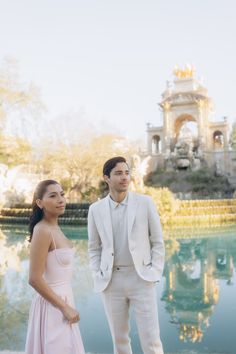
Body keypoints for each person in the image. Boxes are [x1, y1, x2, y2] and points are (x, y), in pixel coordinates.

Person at [88, 156, 165, 354]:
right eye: (118, 173)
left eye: (127, 172)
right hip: (111, 281)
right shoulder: (95, 210)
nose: (124, 177)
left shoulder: (145, 203)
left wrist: (154, 271)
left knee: (152, 341)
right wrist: (98, 272)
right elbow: (94, 248)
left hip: (141, 278)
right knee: (120, 341)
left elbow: (157, 241)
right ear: (106, 177)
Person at [25, 180, 85, 354]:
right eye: (53, 195)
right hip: (53, 306)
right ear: (39, 202)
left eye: (62, 194)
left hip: (64, 299)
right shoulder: (43, 230)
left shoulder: (55, 228)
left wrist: (67, 305)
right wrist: (64, 307)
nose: (61, 199)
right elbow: (34, 279)